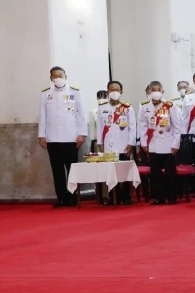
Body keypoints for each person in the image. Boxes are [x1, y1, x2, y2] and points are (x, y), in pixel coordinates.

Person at [37, 65, 86, 207]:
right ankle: (61, 198)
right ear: (51, 78)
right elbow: (43, 115)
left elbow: (82, 115)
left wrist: (82, 134)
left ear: (66, 76)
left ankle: (73, 198)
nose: (58, 78)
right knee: (57, 170)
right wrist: (41, 135)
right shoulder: (46, 93)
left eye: (61, 75)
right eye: (55, 76)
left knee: (72, 170)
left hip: (71, 138)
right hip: (53, 138)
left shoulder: (75, 92)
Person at [137, 81, 179, 205]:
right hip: (152, 144)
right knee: (155, 173)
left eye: (158, 89)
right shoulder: (144, 106)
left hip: (168, 144)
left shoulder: (170, 105)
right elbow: (142, 126)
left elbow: (177, 127)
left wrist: (176, 144)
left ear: (162, 91)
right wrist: (144, 143)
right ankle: (159, 197)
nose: (155, 92)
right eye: (153, 89)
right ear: (149, 92)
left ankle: (172, 197)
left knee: (170, 172)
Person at [97, 81, 136, 205]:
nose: (114, 92)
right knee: (110, 172)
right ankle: (112, 196)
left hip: (123, 145)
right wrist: (100, 143)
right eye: (112, 89)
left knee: (123, 172)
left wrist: (131, 143)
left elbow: (133, 127)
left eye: (117, 90)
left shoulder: (127, 107)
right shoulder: (102, 107)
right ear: (108, 91)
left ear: (121, 92)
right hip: (108, 146)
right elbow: (99, 127)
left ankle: (126, 196)